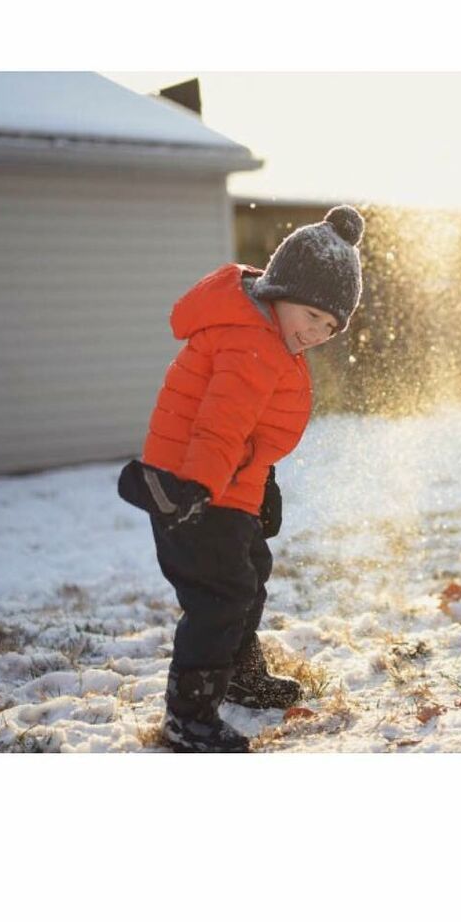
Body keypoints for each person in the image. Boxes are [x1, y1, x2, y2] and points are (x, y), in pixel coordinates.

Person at [137, 205, 364, 752]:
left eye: (330, 326)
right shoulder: (251, 343)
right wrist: (199, 491)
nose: (316, 332)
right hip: (191, 491)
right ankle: (187, 715)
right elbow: (218, 428)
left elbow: (249, 432)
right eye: (311, 315)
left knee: (250, 574)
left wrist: (262, 485)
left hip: (222, 488)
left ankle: (236, 671)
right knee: (219, 598)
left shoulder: (267, 336)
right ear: (279, 289)